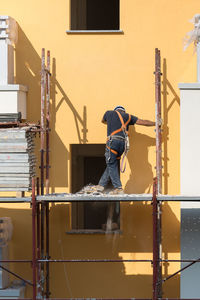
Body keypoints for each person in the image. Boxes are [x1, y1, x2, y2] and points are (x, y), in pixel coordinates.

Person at [92, 105, 155, 194]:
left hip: (113, 142)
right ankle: (101, 185)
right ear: (123, 112)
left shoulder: (109, 113)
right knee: (112, 164)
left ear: (116, 110)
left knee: (111, 163)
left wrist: (111, 123)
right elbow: (143, 122)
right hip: (123, 144)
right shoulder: (129, 117)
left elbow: (103, 121)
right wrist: (156, 123)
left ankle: (118, 188)